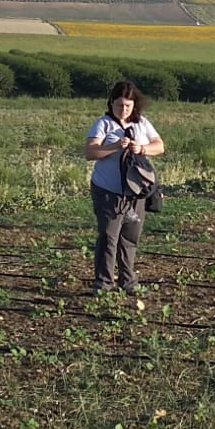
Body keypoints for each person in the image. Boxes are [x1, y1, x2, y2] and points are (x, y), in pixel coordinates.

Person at [85, 80, 164, 294]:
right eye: (120, 105)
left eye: (128, 106)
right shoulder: (103, 124)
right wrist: (113, 147)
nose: (124, 110)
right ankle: (103, 283)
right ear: (111, 103)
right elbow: (90, 152)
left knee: (130, 236)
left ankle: (128, 281)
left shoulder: (142, 123)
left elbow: (160, 146)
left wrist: (142, 148)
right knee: (109, 235)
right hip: (108, 191)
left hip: (135, 192)